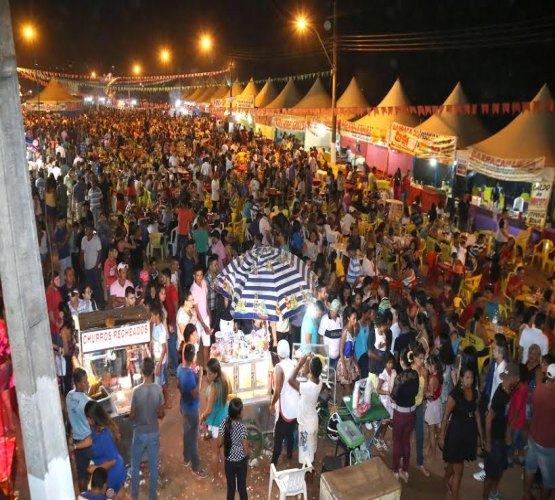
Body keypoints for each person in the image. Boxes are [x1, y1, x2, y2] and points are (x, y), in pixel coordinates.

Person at [439, 366, 483, 500]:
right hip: (456, 434)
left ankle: (445, 480)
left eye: (471, 377)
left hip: (469, 433)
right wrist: (441, 436)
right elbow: (446, 416)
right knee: (459, 471)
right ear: (461, 378)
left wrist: (481, 436)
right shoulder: (455, 394)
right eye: (467, 377)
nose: (469, 380)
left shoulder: (475, 393)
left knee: (454, 461)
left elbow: (477, 415)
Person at [481, 362, 520, 500]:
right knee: (492, 473)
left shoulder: (508, 390)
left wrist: (508, 432)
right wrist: (488, 442)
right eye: (507, 378)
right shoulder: (500, 396)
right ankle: (485, 497)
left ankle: (494, 493)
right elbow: (488, 419)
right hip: (495, 440)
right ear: (515, 378)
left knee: (500, 468)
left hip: (501, 438)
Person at [130, 357, 165, 500]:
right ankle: (152, 496)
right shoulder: (158, 390)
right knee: (153, 465)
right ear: (152, 372)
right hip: (153, 432)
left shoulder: (136, 391)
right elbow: (161, 414)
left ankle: (135, 496)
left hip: (139, 432)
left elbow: (132, 415)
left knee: (135, 465)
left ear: (142, 371)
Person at [75, 401, 126, 495]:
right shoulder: (96, 428)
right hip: (107, 471)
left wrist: (96, 468)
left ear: (93, 418)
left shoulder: (105, 435)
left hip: (113, 473)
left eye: (87, 418)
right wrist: (75, 446)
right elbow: (90, 440)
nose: (87, 421)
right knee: (119, 495)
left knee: (114, 496)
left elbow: (112, 461)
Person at [523, 363, 555, 500]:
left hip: (533, 437)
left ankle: (525, 494)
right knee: (549, 480)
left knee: (530, 468)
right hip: (548, 443)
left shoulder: (538, 390)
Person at [177, 343, 207, 478]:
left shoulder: (180, 369)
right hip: (192, 409)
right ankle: (196, 467)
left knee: (186, 432)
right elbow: (195, 392)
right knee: (194, 438)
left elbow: (178, 385)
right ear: (193, 357)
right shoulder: (189, 374)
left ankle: (186, 458)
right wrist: (200, 376)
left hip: (183, 405)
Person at [288, 352, 323, 465]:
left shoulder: (308, 387)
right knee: (312, 448)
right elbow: (307, 373)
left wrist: (300, 363)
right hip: (313, 420)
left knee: (305, 454)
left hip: (306, 426)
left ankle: (307, 475)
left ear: (312, 371)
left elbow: (291, 380)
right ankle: (310, 471)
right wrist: (308, 360)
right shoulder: (319, 380)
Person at [391, 348, 419, 482]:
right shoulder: (416, 375)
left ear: (401, 361)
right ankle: (405, 470)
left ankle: (396, 470)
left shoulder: (399, 378)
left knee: (397, 441)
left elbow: (393, 396)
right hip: (412, 412)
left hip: (400, 414)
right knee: (406, 440)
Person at [269, 340, 299, 465]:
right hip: (295, 406)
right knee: (290, 433)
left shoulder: (279, 367)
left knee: (278, 438)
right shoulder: (293, 363)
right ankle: (289, 456)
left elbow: (277, 391)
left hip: (284, 408)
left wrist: (271, 404)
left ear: (278, 353)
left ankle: (273, 464)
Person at [200, 358, 230, 482]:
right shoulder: (224, 378)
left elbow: (209, 410)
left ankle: (216, 478)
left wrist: (202, 416)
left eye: (210, 374)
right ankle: (225, 475)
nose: (207, 376)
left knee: (214, 452)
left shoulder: (213, 388)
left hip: (214, 423)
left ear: (216, 373)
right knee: (222, 450)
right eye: (206, 372)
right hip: (225, 418)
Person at [218, 398, 250, 500]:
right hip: (241, 462)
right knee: (242, 488)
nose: (243, 411)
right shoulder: (242, 428)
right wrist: (248, 455)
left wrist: (226, 441)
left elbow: (219, 443)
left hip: (229, 462)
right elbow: (245, 450)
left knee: (231, 488)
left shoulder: (224, 424)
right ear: (238, 414)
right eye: (242, 409)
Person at [67, 368, 92, 492]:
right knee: (96, 470)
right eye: (84, 381)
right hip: (88, 441)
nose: (87, 383)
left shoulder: (69, 396)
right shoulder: (87, 402)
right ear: (77, 383)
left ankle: (83, 496)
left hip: (77, 440)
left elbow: (70, 415)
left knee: (82, 473)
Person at [191, 265, 212, 370]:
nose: (199, 278)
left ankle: (205, 367)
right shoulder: (193, 289)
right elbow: (197, 311)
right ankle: (197, 368)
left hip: (206, 318)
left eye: (201, 275)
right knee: (197, 345)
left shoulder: (204, 283)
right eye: (197, 275)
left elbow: (206, 299)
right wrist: (204, 325)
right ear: (193, 276)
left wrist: (209, 313)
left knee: (207, 344)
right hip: (198, 321)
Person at [337, 306, 360, 396]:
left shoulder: (354, 329)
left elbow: (352, 349)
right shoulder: (345, 331)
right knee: (348, 391)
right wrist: (345, 369)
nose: (356, 320)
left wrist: (356, 364)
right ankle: (342, 408)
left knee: (348, 391)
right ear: (348, 318)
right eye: (354, 318)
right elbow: (341, 351)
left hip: (350, 361)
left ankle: (342, 407)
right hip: (344, 362)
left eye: (356, 318)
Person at [150, 305, 169, 406]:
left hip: (160, 361)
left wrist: (158, 365)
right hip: (157, 360)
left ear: (157, 316)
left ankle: (159, 408)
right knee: (162, 381)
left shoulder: (161, 330)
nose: (151, 318)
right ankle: (168, 401)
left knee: (157, 385)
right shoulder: (154, 326)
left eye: (152, 316)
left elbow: (164, 348)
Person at [318, 299, 343, 369]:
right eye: (331, 311)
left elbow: (341, 335)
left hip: (337, 356)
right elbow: (320, 337)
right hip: (327, 356)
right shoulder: (324, 319)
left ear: (338, 311)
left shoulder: (340, 318)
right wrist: (324, 355)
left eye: (334, 311)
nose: (332, 313)